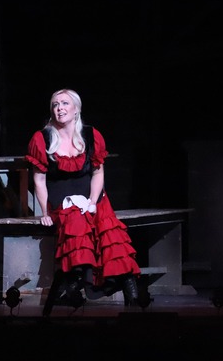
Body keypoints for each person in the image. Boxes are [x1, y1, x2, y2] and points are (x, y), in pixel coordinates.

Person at [25, 88, 141, 317]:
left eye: (65, 103)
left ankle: (130, 288)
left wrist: (93, 202)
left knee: (110, 232)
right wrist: (45, 212)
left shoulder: (90, 135)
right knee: (77, 222)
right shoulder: (42, 138)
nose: (60, 108)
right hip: (63, 202)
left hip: (92, 198)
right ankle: (75, 282)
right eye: (55, 104)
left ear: (76, 109)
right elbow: (39, 180)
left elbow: (98, 173)